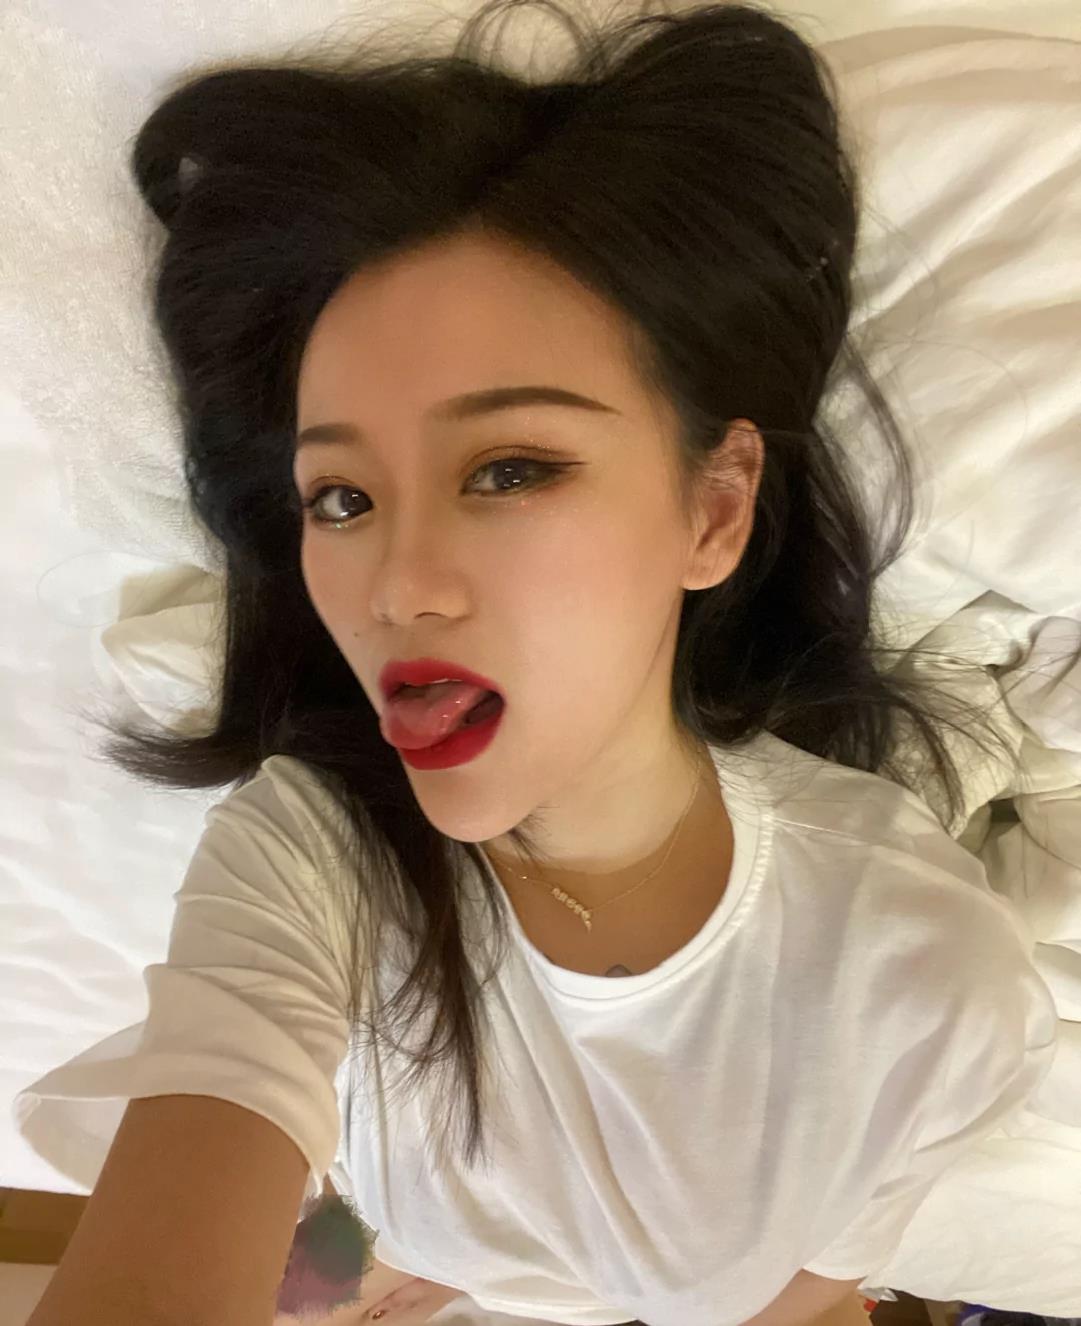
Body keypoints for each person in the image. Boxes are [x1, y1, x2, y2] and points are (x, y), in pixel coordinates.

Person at [16, 2, 1065, 1324]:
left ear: (713, 507)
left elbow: (806, 1301)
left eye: (509, 468)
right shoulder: (312, 856)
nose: (397, 584)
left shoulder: (916, 965)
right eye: (341, 498)